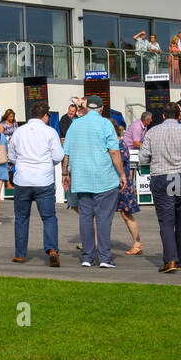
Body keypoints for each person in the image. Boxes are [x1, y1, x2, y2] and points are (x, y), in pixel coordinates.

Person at [63, 93, 128, 267]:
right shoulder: (106, 124)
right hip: (104, 179)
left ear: (86, 107)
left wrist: (64, 174)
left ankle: (87, 257)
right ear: (101, 108)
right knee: (103, 219)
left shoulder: (75, 125)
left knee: (85, 218)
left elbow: (66, 153)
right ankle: (105, 258)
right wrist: (122, 174)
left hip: (82, 179)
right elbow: (114, 152)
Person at [140, 101, 181, 273]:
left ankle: (171, 259)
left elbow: (143, 158)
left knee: (166, 221)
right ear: (179, 114)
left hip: (162, 177)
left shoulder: (152, 132)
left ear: (163, 115)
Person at [7, 100, 64, 266]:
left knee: (21, 217)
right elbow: (58, 156)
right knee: (49, 217)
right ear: (45, 116)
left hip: (23, 179)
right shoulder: (50, 132)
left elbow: (11, 156)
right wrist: (47, 164)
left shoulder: (19, 131)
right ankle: (52, 249)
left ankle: (20, 253)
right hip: (43, 180)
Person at [115, 121, 145, 256]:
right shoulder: (116, 144)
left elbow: (119, 162)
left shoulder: (120, 145)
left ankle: (137, 243)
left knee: (126, 214)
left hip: (122, 185)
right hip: (116, 184)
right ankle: (92, 241)